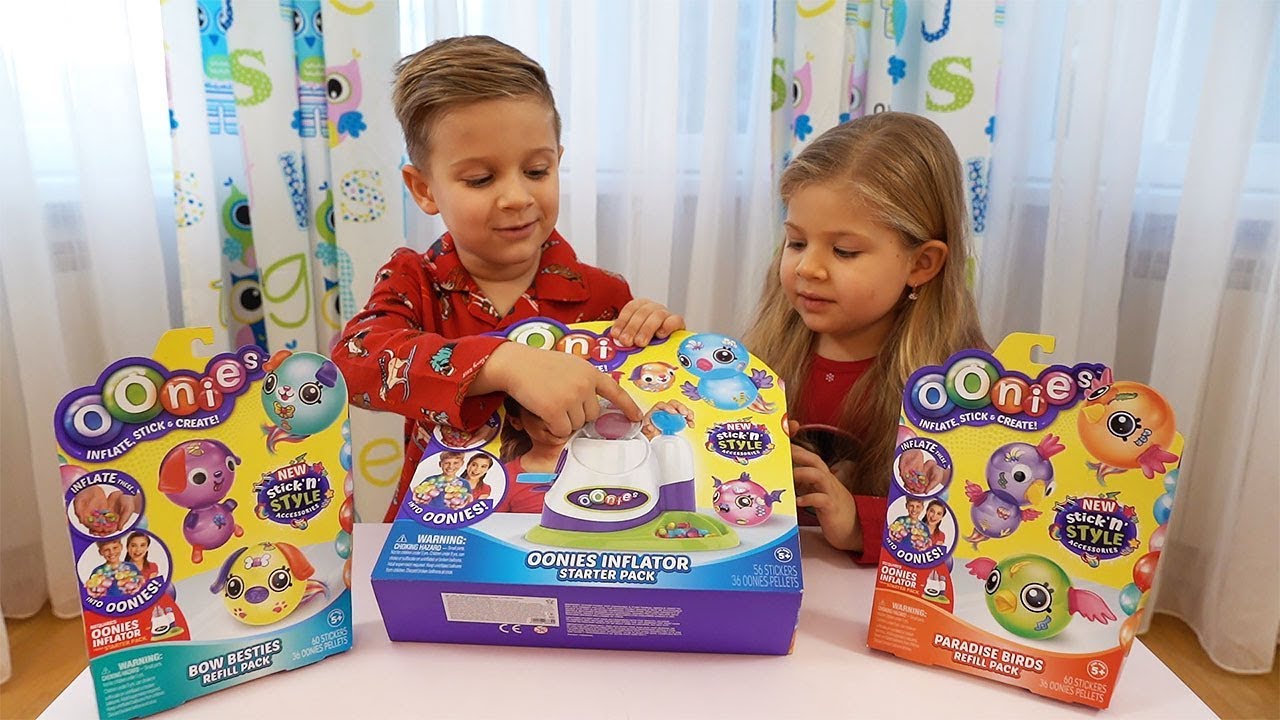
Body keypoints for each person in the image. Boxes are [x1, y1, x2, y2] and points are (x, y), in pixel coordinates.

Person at [333, 35, 683, 521]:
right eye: (480, 179)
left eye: (537, 170)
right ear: (424, 188)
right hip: (442, 532)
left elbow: (634, 407)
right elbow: (354, 363)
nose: (517, 197)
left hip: (576, 523)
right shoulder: (414, 280)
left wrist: (655, 336)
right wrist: (501, 363)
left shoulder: (604, 294)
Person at [744, 112, 986, 562]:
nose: (808, 268)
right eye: (796, 243)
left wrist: (860, 523)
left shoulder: (963, 388)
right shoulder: (762, 356)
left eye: (844, 251)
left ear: (921, 264)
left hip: (880, 595)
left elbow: (972, 520)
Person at [495, 398, 569, 513]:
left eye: (567, 410)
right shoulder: (504, 478)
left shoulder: (597, 465)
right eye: (540, 413)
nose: (558, 421)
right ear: (516, 422)